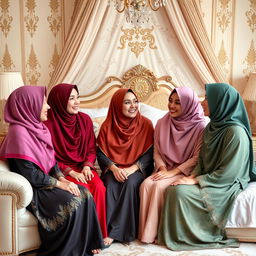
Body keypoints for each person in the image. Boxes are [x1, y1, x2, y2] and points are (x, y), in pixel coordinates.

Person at [0, 86, 104, 256]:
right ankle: (68, 250)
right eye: (43, 102)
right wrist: (59, 184)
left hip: (46, 181)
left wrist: (63, 178)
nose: (48, 107)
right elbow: (30, 174)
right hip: (37, 188)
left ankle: (85, 244)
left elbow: (52, 161)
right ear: (30, 104)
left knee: (85, 192)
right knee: (73, 202)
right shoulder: (18, 133)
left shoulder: (38, 128)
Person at [158, 83, 256, 250]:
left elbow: (230, 173)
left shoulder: (235, 133)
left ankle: (189, 237)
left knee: (179, 192)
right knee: (174, 190)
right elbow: (202, 161)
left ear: (221, 102)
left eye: (207, 99)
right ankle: (180, 236)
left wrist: (195, 181)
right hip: (212, 177)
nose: (202, 103)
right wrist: (191, 176)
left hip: (226, 181)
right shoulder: (211, 127)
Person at [138, 87, 206, 244]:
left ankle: (157, 234)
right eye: (170, 101)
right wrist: (162, 168)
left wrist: (173, 172)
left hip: (184, 171)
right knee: (146, 185)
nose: (171, 106)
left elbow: (197, 158)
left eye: (178, 103)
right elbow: (157, 151)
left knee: (159, 188)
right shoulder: (162, 122)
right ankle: (145, 233)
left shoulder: (200, 127)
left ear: (188, 105)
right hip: (165, 168)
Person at [44, 83, 108, 242]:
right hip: (62, 171)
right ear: (59, 101)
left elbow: (91, 149)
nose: (77, 102)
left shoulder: (85, 120)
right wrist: (70, 172)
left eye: (77, 97)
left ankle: (99, 236)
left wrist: (87, 165)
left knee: (99, 187)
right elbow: (48, 156)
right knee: (83, 190)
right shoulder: (47, 124)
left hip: (83, 167)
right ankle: (85, 238)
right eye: (71, 98)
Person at [97, 88, 154, 245]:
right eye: (127, 102)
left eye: (135, 102)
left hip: (137, 169)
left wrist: (132, 169)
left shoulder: (146, 124)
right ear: (117, 105)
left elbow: (150, 155)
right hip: (114, 167)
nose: (133, 106)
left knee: (130, 183)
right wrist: (114, 168)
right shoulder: (107, 127)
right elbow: (101, 155)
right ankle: (105, 230)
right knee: (109, 184)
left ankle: (117, 232)